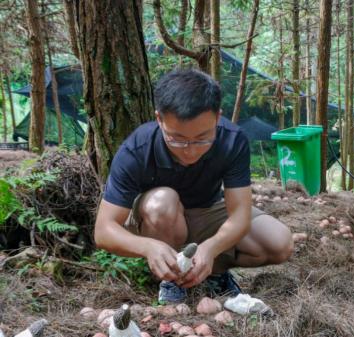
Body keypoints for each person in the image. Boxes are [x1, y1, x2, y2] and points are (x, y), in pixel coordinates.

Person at [94, 68, 293, 303]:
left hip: (207, 213)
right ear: (159, 119)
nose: (190, 150)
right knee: (162, 202)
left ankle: (212, 273)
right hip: (158, 219)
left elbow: (240, 213)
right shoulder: (137, 150)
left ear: (217, 118)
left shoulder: (232, 140)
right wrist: (147, 246)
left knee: (278, 242)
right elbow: (103, 230)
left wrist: (211, 247)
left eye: (202, 138)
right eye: (177, 139)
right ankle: (171, 280)